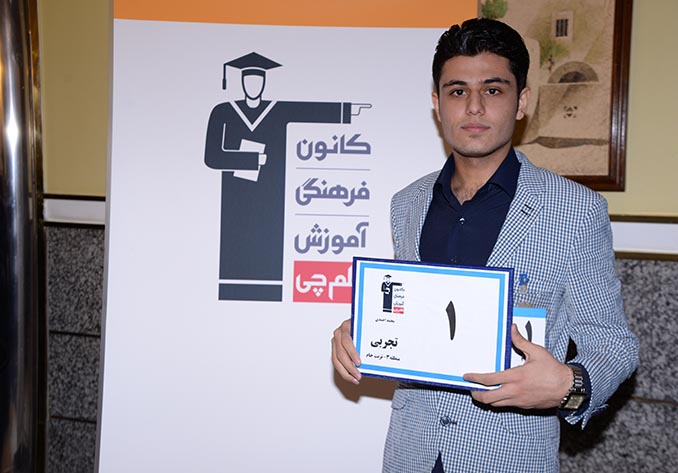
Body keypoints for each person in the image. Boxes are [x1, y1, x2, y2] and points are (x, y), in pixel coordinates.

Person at [331, 18, 638, 472]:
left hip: (510, 457)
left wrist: (567, 385)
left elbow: (612, 343)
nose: (474, 107)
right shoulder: (407, 203)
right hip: (411, 453)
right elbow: (416, 315)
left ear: (522, 101)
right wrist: (363, 331)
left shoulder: (575, 210)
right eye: (457, 91)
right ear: (437, 103)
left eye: (493, 90)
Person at [204, 52, 369, 302]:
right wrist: (250, 159)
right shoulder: (224, 112)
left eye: (258, 81)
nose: (253, 86)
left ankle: (267, 288)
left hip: (270, 194)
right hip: (235, 195)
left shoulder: (276, 110)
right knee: (236, 245)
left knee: (268, 245)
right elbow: (212, 157)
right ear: (242, 82)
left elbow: (309, 111)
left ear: (263, 83)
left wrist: (349, 110)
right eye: (249, 81)